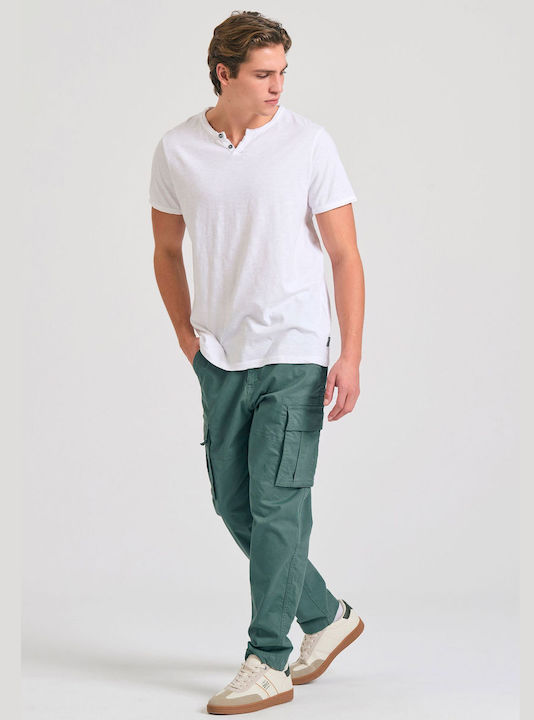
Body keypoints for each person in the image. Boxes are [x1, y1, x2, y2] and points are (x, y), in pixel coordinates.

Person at [149, 10, 365, 715]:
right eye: (263, 75)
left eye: (282, 74)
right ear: (224, 73)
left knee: (278, 505)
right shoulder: (178, 149)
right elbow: (167, 251)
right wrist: (188, 339)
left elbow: (344, 255)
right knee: (233, 503)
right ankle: (326, 615)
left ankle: (267, 660)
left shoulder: (309, 143)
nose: (277, 87)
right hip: (220, 357)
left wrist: (349, 353)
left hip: (296, 352)